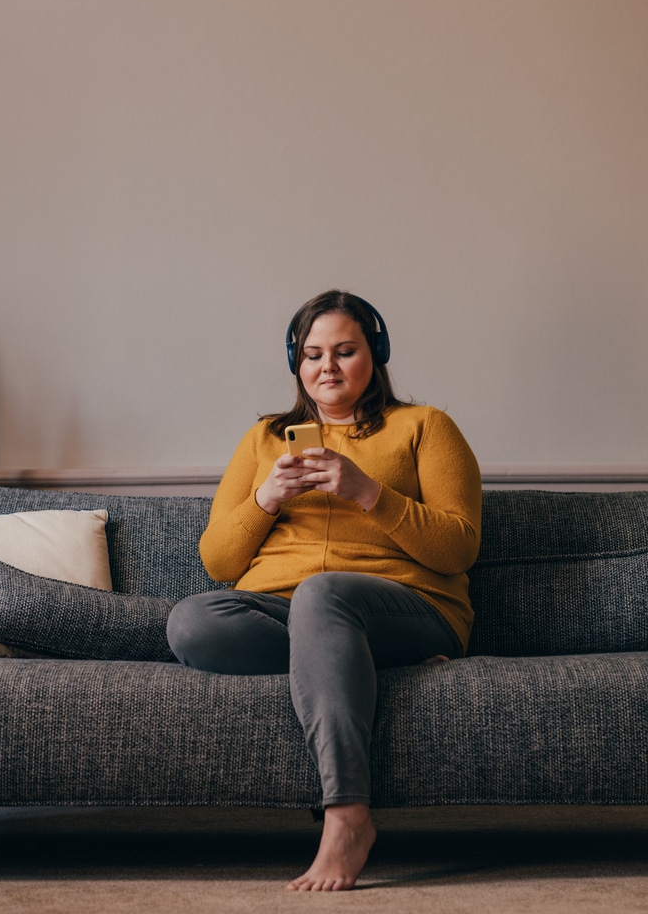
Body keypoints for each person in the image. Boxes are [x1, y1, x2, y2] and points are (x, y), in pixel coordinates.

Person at [166, 289, 482, 891]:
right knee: (192, 622)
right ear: (296, 363)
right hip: (283, 606)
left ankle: (347, 817)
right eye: (312, 354)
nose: (327, 367)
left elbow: (459, 547)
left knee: (322, 595)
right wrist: (267, 500)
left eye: (344, 351)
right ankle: (355, 663)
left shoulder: (425, 427)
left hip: (406, 605)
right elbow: (218, 562)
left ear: (376, 354)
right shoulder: (265, 438)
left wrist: (368, 492)